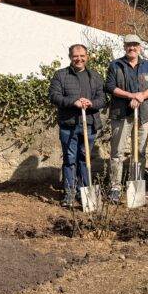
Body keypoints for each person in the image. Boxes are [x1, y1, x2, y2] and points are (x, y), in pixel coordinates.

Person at [48, 44, 106, 207]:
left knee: (85, 158)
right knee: (69, 159)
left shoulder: (94, 76)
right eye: (75, 56)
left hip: (89, 124)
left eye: (82, 56)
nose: (79, 59)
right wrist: (73, 102)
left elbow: (102, 100)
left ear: (87, 57)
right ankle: (69, 192)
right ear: (70, 57)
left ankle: (84, 191)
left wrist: (91, 103)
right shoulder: (61, 75)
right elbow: (54, 96)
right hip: (69, 124)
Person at [104, 34, 148, 203]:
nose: (132, 48)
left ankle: (136, 183)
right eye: (128, 45)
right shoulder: (116, 65)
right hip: (121, 114)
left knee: (139, 152)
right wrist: (131, 95)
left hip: (143, 114)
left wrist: (141, 95)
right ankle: (115, 186)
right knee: (117, 152)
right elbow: (110, 86)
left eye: (135, 45)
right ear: (125, 47)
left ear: (140, 47)